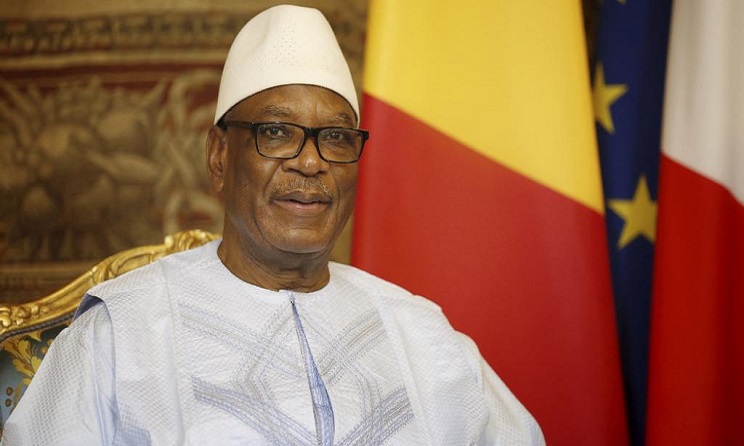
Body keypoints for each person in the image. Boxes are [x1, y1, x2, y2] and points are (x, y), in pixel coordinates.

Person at [2, 5, 544, 445]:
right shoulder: (122, 332)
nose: (310, 162)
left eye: (335, 138)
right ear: (219, 156)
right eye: (277, 133)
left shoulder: (423, 336)